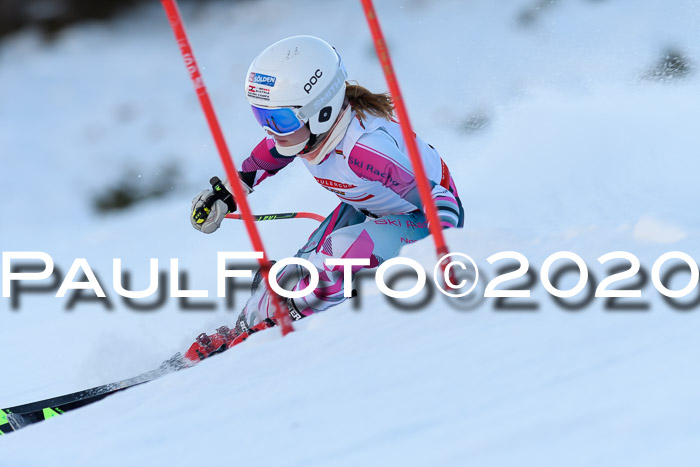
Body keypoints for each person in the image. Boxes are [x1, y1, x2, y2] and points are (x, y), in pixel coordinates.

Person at [184, 35, 464, 363]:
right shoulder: (306, 134)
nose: (271, 131)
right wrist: (229, 193)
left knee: (333, 259)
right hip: (370, 209)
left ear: (322, 111)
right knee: (294, 269)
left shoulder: (365, 149)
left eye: (280, 120)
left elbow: (441, 198)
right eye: (262, 117)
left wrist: (443, 250)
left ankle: (282, 323)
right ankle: (246, 326)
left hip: (420, 221)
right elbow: (269, 156)